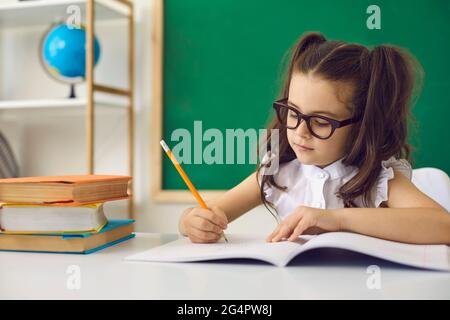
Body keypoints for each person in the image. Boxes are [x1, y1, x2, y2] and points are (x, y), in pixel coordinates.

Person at [178, 32, 450, 245]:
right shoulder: (277, 174)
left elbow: (443, 226)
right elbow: (208, 213)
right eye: (293, 113)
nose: (299, 131)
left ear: (362, 125)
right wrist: (191, 222)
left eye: (321, 122)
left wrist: (338, 220)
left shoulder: (378, 180)